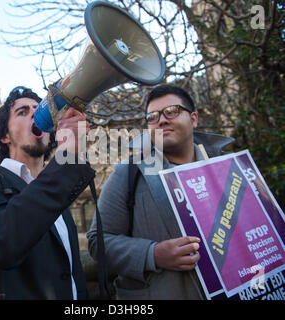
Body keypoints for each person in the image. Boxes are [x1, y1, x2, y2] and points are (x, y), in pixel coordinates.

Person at [87, 84, 234, 299]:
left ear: (193, 118)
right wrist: (152, 254)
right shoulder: (128, 172)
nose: (162, 120)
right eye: (153, 117)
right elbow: (97, 242)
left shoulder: (227, 168)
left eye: (172, 111)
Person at [0, 86, 94, 299]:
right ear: (5, 136)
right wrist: (67, 159)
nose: (35, 115)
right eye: (22, 112)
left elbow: (73, 277)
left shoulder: (59, 196)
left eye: (40, 110)